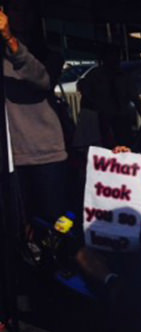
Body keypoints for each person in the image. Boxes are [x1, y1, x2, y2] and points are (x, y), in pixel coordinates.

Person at [1, 4, 67, 228]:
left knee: (55, 224)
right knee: (19, 225)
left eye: (27, 9)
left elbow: (43, 81)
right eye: (15, 10)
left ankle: (61, 262)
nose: (21, 16)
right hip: (11, 156)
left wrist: (10, 40)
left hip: (46, 153)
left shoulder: (51, 55)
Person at [78, 44, 141, 148]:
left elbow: (135, 98)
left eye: (116, 56)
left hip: (122, 119)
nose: (114, 59)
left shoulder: (124, 77)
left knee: (124, 148)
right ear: (104, 58)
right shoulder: (95, 75)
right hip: (102, 120)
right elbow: (86, 95)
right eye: (110, 56)